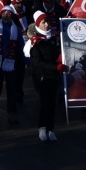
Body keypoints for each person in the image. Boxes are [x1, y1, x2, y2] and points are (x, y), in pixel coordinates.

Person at [25, 12, 62, 142]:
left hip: (54, 75)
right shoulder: (36, 41)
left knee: (52, 103)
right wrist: (54, 67)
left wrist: (59, 58)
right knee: (45, 103)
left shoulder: (53, 37)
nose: (47, 25)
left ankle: (51, 129)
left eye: (47, 22)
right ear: (38, 24)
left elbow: (56, 52)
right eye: (43, 22)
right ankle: (42, 127)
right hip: (42, 77)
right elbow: (37, 62)